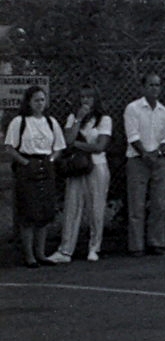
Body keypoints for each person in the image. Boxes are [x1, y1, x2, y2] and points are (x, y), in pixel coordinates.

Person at [5, 86, 65, 267]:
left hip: (46, 165)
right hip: (27, 166)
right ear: (29, 102)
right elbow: (10, 147)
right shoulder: (19, 121)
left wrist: (51, 160)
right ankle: (29, 255)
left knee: (44, 213)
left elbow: (59, 147)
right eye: (36, 100)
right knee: (28, 213)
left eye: (42, 100)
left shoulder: (50, 122)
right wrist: (25, 163)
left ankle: (41, 253)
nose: (40, 104)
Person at [52, 85, 113, 262]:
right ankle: (66, 250)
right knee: (72, 206)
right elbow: (67, 140)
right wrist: (78, 120)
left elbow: (100, 146)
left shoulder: (104, 119)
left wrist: (78, 145)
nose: (85, 100)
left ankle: (94, 247)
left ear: (95, 99)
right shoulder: (73, 117)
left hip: (97, 165)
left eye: (89, 97)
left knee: (96, 207)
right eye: (82, 97)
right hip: (76, 166)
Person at [123, 72, 165, 256]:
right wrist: (144, 153)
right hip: (137, 159)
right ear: (143, 88)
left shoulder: (163, 111)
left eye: (157, 85)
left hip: (158, 160)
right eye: (151, 85)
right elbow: (132, 135)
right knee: (137, 204)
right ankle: (136, 245)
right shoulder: (133, 108)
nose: (155, 89)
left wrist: (158, 152)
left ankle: (157, 242)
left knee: (159, 203)